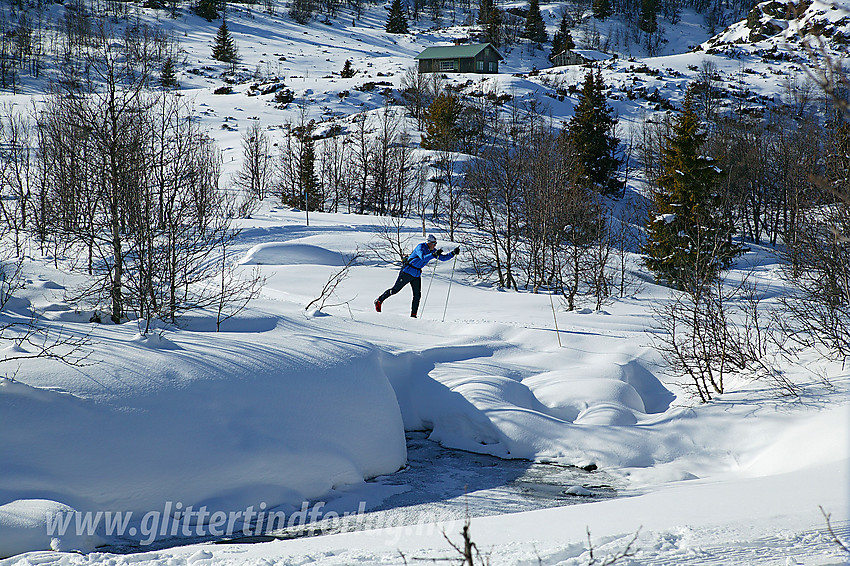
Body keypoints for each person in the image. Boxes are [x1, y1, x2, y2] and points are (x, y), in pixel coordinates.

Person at [375, 234, 460, 318]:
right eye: (434, 243)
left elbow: (443, 258)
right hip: (407, 272)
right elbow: (423, 257)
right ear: (429, 242)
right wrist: (433, 255)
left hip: (416, 275)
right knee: (395, 290)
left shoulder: (432, 250)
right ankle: (379, 300)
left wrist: (453, 253)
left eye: (436, 243)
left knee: (417, 295)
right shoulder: (421, 247)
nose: (435, 245)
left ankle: (413, 315)